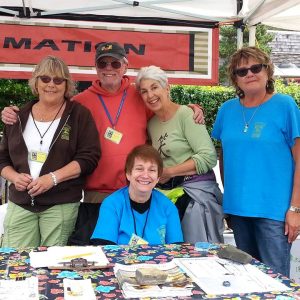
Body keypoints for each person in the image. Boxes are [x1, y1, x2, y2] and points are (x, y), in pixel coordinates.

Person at [1, 42, 203, 204]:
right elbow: (48, 104)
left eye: (115, 64)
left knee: (134, 251)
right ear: (95, 68)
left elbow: (165, 110)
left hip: (137, 188)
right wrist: (14, 112)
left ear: (125, 66)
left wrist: (189, 108)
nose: (109, 69)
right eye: (102, 64)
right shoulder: (80, 102)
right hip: (95, 195)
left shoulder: (139, 94)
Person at [212, 46, 300, 277]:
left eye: (255, 67)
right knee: (246, 280)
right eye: (242, 71)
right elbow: (224, 156)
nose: (249, 74)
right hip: (238, 211)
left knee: (275, 282)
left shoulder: (285, 105)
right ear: (235, 79)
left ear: (267, 71)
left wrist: (295, 208)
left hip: (275, 213)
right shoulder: (226, 110)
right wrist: (228, 199)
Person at [0, 55, 100, 247]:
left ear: (67, 84)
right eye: (45, 79)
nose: (51, 85)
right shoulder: (17, 116)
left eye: (58, 79)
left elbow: (89, 157)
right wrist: (13, 177)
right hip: (21, 204)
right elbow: (2, 159)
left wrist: (52, 178)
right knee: (16, 264)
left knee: (54, 265)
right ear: (36, 83)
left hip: (60, 204)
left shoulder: (79, 115)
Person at [135, 65, 224, 244]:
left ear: (167, 88)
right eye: (144, 91)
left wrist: (169, 172)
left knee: (197, 256)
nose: (150, 95)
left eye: (154, 87)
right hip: (169, 197)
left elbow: (208, 156)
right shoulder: (152, 124)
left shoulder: (186, 115)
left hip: (196, 199)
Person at [90, 144, 183, 245]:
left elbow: (176, 250)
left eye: (152, 170)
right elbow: (103, 249)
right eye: (139, 169)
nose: (145, 175)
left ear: (158, 178)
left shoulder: (168, 207)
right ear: (128, 174)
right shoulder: (111, 204)